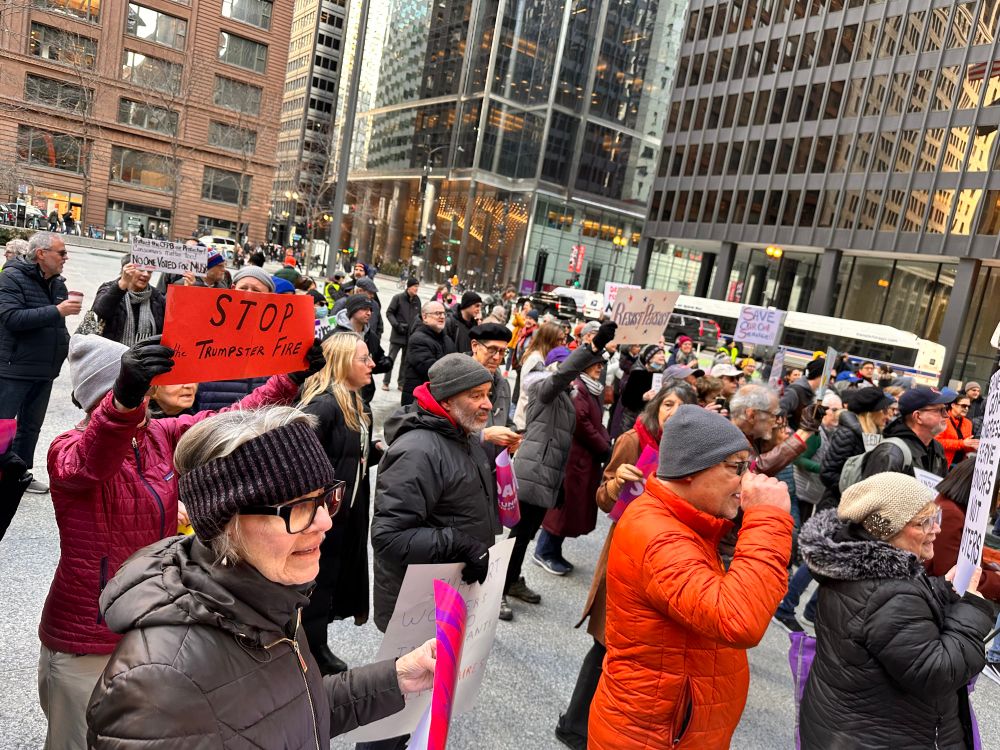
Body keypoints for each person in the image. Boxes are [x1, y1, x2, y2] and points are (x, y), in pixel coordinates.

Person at [85, 406, 436, 748]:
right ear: (225, 521)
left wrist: (396, 677)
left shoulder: (268, 596)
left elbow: (283, 712)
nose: (324, 522)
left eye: (323, 498)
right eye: (297, 506)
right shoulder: (159, 685)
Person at [40, 334, 321, 750]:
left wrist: (288, 379)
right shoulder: (68, 450)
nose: (150, 392)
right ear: (109, 392)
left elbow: (229, 421)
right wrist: (122, 402)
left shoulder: (158, 435)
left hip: (145, 616)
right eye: (138, 386)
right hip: (86, 637)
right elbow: (95, 455)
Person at [589, 406, 794, 748]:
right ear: (688, 471)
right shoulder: (660, 537)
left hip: (667, 729)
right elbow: (739, 618)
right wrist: (768, 519)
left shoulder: (680, 518)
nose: (745, 480)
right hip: (656, 737)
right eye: (735, 467)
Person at [798, 473, 993, 749]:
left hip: (847, 726)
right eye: (924, 522)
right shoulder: (889, 590)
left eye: (934, 517)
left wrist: (943, 589)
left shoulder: (860, 567)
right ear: (887, 530)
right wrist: (973, 609)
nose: (936, 529)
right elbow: (937, 672)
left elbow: (893, 621)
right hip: (879, 736)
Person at [555, 381, 697, 749]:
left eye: (682, 407)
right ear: (656, 407)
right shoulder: (633, 442)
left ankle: (600, 727)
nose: (673, 412)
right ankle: (574, 725)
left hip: (664, 559)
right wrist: (617, 482)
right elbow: (602, 498)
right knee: (605, 644)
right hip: (625, 553)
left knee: (630, 651)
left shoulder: (691, 452)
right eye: (668, 404)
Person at [505, 324, 615, 610]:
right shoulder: (545, 388)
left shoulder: (567, 395)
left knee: (526, 536)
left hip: (548, 478)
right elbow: (564, 373)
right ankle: (497, 591)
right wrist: (591, 348)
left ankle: (511, 579)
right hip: (533, 474)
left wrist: (561, 486)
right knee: (516, 538)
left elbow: (563, 446)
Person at [299, 332, 382, 676]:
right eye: (364, 359)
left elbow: (344, 456)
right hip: (323, 513)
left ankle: (315, 643)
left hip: (347, 509)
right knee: (316, 581)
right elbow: (302, 461)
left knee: (330, 578)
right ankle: (309, 647)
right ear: (343, 361)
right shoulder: (324, 405)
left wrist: (371, 455)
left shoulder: (352, 401)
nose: (372, 365)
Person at [0, 232, 78, 493]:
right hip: (14, 367)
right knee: (3, 424)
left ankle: (20, 473)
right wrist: (57, 310)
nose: (66, 257)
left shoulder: (58, 284)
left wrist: (67, 346)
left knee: (30, 426)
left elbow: (58, 326)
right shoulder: (11, 277)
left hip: (45, 369)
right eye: (61, 252)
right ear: (41, 254)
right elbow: (12, 318)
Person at [534, 353, 611, 577]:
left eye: (601, 364)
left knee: (571, 510)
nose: (599, 368)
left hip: (585, 459)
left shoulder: (592, 388)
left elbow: (597, 422)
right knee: (562, 510)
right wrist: (603, 446)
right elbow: (581, 422)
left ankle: (553, 550)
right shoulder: (579, 389)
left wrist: (605, 440)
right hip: (574, 459)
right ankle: (544, 551)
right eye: (595, 364)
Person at [926, 458, 1000, 602]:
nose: (997, 502)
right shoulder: (952, 514)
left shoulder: (953, 507)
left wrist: (992, 572)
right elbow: (952, 574)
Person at [862, 386, 952, 480]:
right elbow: (875, 493)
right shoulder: (891, 453)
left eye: (945, 409)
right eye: (940, 410)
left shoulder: (937, 448)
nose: (946, 415)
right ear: (917, 416)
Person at [90, 257, 166, 346]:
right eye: (141, 270)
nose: (146, 274)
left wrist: (184, 292)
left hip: (145, 358)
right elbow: (101, 312)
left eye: (149, 271)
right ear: (126, 270)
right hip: (113, 355)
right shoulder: (109, 288)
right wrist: (121, 285)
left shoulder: (157, 296)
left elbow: (173, 322)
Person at [332, 294, 390, 403]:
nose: (369, 313)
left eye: (370, 309)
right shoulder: (336, 336)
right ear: (352, 310)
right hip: (339, 396)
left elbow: (377, 358)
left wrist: (385, 363)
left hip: (364, 398)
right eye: (364, 309)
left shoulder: (371, 336)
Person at [401, 300, 455, 406]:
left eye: (444, 313)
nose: (442, 317)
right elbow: (431, 370)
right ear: (424, 317)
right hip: (418, 400)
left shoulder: (447, 339)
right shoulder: (417, 339)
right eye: (437, 313)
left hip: (439, 398)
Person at [512, 321, 564, 430]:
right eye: (559, 339)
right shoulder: (536, 359)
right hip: (526, 423)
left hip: (532, 422)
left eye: (563, 339)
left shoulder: (545, 358)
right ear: (549, 340)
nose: (563, 343)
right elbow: (535, 395)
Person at [610, 343, 665, 439]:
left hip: (648, 421)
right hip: (632, 422)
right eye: (659, 353)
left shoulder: (660, 375)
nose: (663, 355)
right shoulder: (637, 373)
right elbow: (626, 400)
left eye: (663, 353)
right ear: (650, 358)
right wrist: (644, 397)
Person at [383, 277, 421, 391]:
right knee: (391, 359)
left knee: (405, 362)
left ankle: (401, 383)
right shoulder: (398, 298)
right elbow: (389, 313)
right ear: (409, 287)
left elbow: (419, 316)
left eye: (418, 287)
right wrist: (397, 325)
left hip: (410, 336)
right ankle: (386, 382)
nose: (416, 289)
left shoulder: (417, 300)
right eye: (415, 286)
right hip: (397, 335)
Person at [779, 357, 824, 429]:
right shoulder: (795, 391)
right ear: (820, 375)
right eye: (829, 377)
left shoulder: (812, 393)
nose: (831, 381)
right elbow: (778, 415)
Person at [936, 393, 978, 468]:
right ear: (953, 405)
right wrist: (962, 443)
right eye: (964, 406)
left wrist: (972, 445)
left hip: (959, 465)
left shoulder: (968, 423)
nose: (966, 409)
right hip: (941, 463)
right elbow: (937, 442)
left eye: (969, 407)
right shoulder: (943, 419)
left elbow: (966, 446)